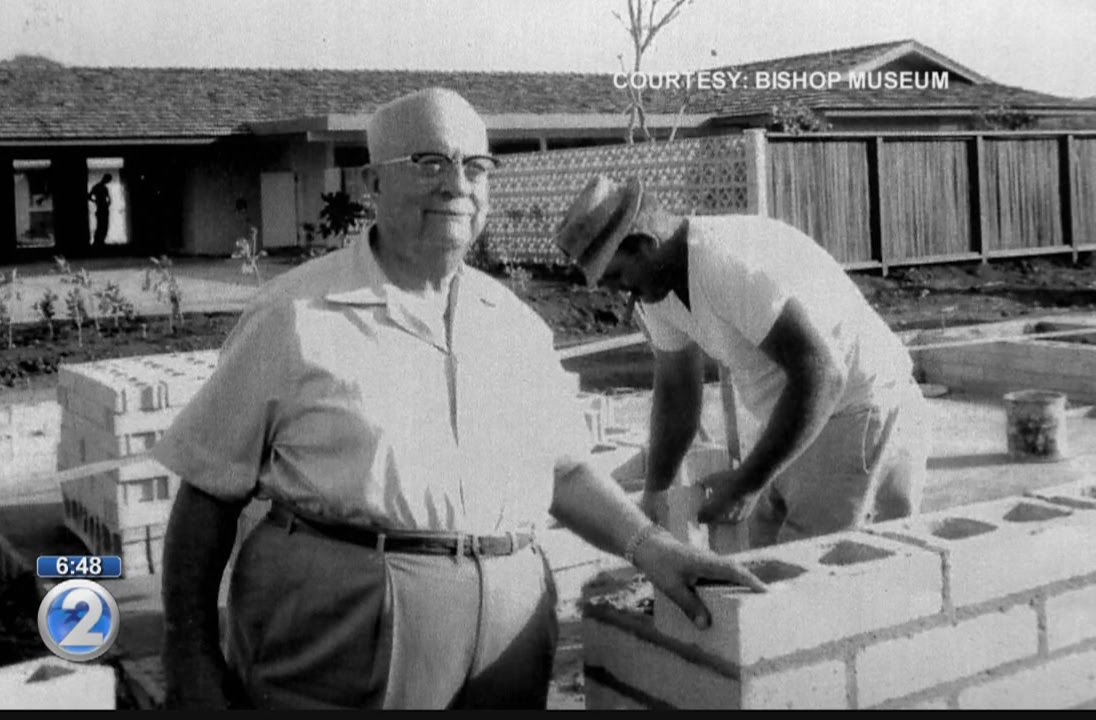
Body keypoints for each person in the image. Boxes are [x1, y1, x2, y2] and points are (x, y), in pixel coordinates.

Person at [153, 89, 764, 710]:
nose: (456, 185)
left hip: (509, 639)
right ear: (373, 182)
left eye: (475, 166)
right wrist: (190, 659)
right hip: (344, 633)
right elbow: (205, 494)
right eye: (428, 163)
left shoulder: (515, 324)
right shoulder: (293, 316)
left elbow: (566, 471)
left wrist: (653, 548)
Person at [554, 175, 929, 549]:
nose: (619, 292)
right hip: (803, 413)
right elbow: (676, 393)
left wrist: (748, 482)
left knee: (816, 576)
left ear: (647, 246)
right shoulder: (655, 289)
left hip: (858, 407)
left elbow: (823, 372)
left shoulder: (725, 263)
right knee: (759, 561)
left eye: (617, 275)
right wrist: (656, 493)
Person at [88, 173, 112, 245]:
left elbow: (89, 196)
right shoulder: (101, 187)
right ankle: (99, 241)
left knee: (101, 225)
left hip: (101, 207)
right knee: (102, 225)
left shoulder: (98, 187)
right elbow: (109, 199)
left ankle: (99, 241)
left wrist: (95, 201)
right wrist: (96, 201)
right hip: (102, 208)